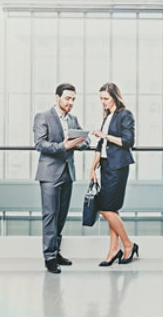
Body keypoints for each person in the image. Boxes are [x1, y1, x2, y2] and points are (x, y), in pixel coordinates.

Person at [33, 83, 88, 274]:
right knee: (50, 215)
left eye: (73, 99)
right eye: (67, 98)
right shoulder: (43, 116)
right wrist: (64, 146)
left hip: (67, 173)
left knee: (62, 215)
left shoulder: (73, 119)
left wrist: (80, 143)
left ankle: (56, 252)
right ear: (57, 98)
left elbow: (85, 141)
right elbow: (40, 144)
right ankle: (49, 257)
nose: (71, 102)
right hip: (49, 174)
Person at [89, 82, 139, 265]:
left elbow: (128, 141)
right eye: (101, 99)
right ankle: (113, 249)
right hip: (106, 165)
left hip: (118, 166)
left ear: (115, 97)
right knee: (113, 209)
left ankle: (127, 244)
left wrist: (105, 135)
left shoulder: (125, 115)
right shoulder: (108, 116)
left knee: (104, 207)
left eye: (106, 99)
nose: (103, 102)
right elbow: (101, 145)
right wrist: (93, 168)